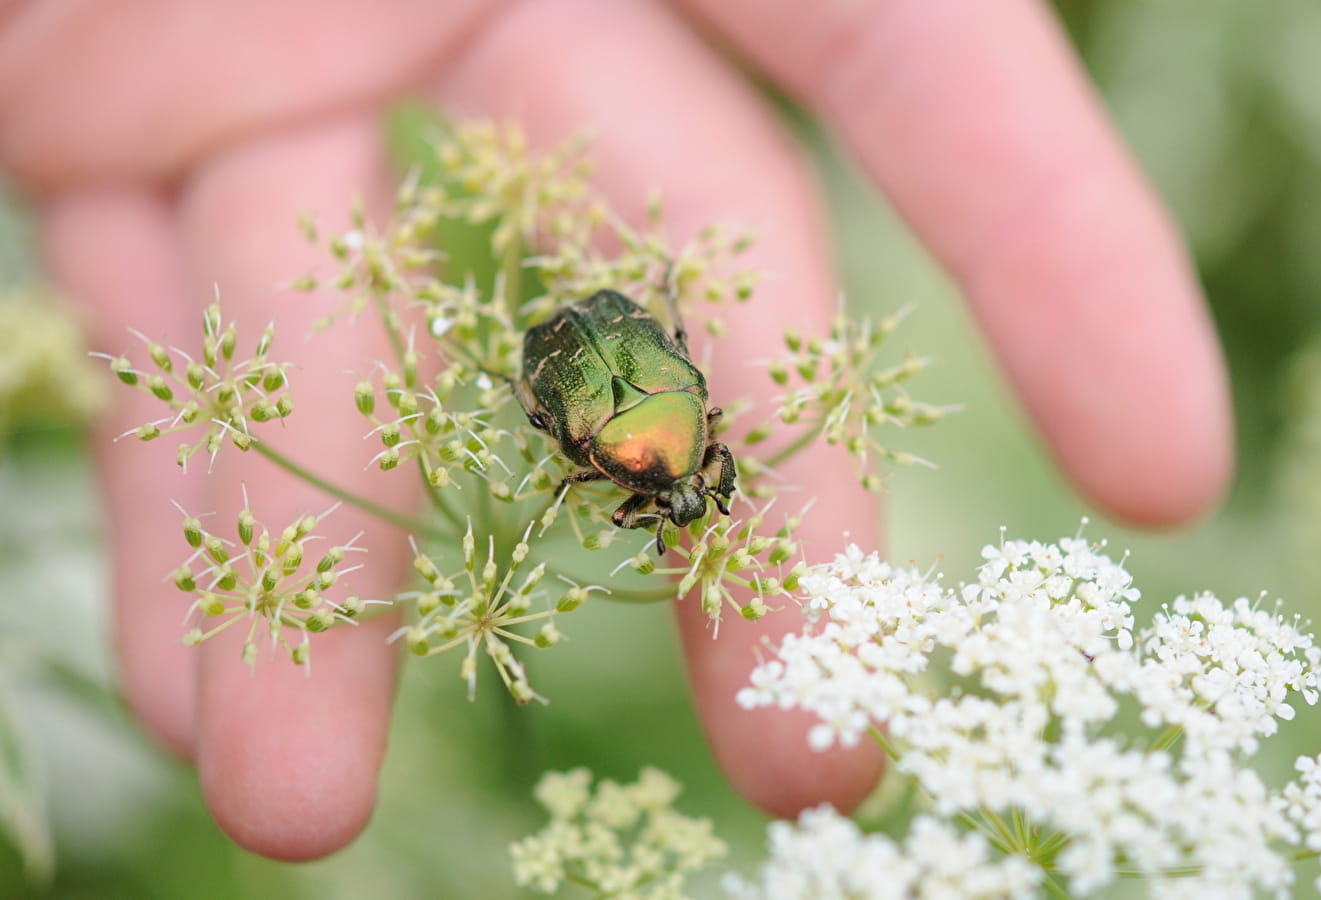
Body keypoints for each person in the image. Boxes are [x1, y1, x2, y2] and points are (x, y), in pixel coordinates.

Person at [0, 0, 1233, 861]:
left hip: (599, 355)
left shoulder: (679, 439)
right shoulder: (662, 443)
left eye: (678, 499)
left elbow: (644, 418)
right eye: (682, 498)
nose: (684, 509)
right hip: (589, 356)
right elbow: (604, 426)